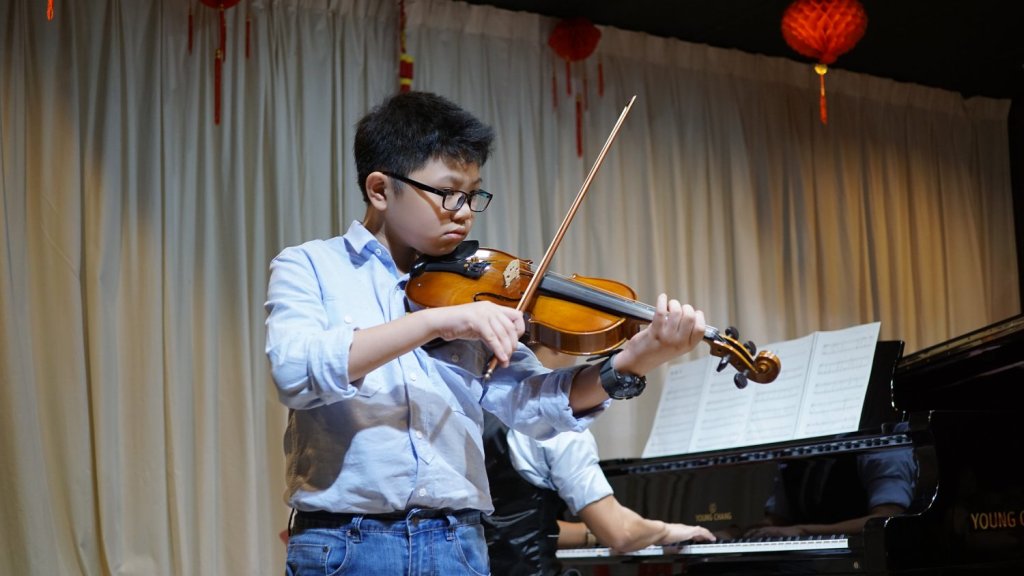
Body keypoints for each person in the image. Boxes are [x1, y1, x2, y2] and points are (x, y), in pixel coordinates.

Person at [264, 91, 709, 575]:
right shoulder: (310, 267)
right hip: (347, 544)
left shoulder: (471, 287)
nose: (464, 212)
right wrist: (435, 322)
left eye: (473, 194)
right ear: (380, 190)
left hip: (456, 543)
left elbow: (533, 403)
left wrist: (635, 360)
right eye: (449, 193)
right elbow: (296, 371)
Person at [483, 347, 716, 576]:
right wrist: (666, 530)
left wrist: (592, 531)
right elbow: (621, 533)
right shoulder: (557, 425)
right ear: (556, 342)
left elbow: (512, 524)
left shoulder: (483, 406)